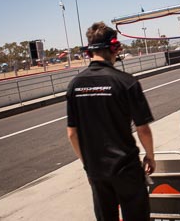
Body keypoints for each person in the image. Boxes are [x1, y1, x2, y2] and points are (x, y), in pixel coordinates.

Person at [66, 22, 155, 221]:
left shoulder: (75, 85)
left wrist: (88, 165)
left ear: (89, 51)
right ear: (114, 48)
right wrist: (150, 156)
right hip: (126, 169)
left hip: (97, 171)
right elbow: (143, 130)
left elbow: (72, 134)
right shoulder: (127, 82)